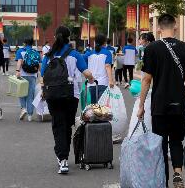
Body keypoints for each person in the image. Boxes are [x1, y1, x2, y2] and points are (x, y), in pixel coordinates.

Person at [138, 14, 185, 188]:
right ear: (176, 27)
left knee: (161, 144)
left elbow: (146, 80)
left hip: (159, 105)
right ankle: (178, 173)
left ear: (158, 28)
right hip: (179, 104)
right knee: (176, 141)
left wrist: (141, 105)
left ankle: (163, 181)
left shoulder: (151, 49)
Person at [40, 25, 95, 175]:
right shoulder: (74, 54)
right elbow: (86, 72)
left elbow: (42, 75)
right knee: (67, 125)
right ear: (68, 38)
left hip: (53, 95)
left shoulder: (48, 55)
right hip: (72, 95)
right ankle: (64, 155)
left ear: (55, 37)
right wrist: (91, 79)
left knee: (58, 124)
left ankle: (62, 159)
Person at [84, 33, 115, 104]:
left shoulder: (89, 54)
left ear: (95, 42)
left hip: (91, 83)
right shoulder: (107, 53)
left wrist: (87, 76)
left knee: (93, 107)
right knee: (102, 107)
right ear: (104, 42)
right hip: (103, 83)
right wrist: (111, 80)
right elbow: (107, 66)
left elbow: (83, 66)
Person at [15, 38, 40, 122]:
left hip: (22, 75)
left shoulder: (21, 51)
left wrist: (17, 71)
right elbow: (39, 64)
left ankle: (24, 108)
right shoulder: (36, 52)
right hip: (33, 75)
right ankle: (30, 115)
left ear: (24, 43)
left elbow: (19, 61)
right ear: (32, 44)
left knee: (21, 93)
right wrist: (43, 75)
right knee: (30, 95)